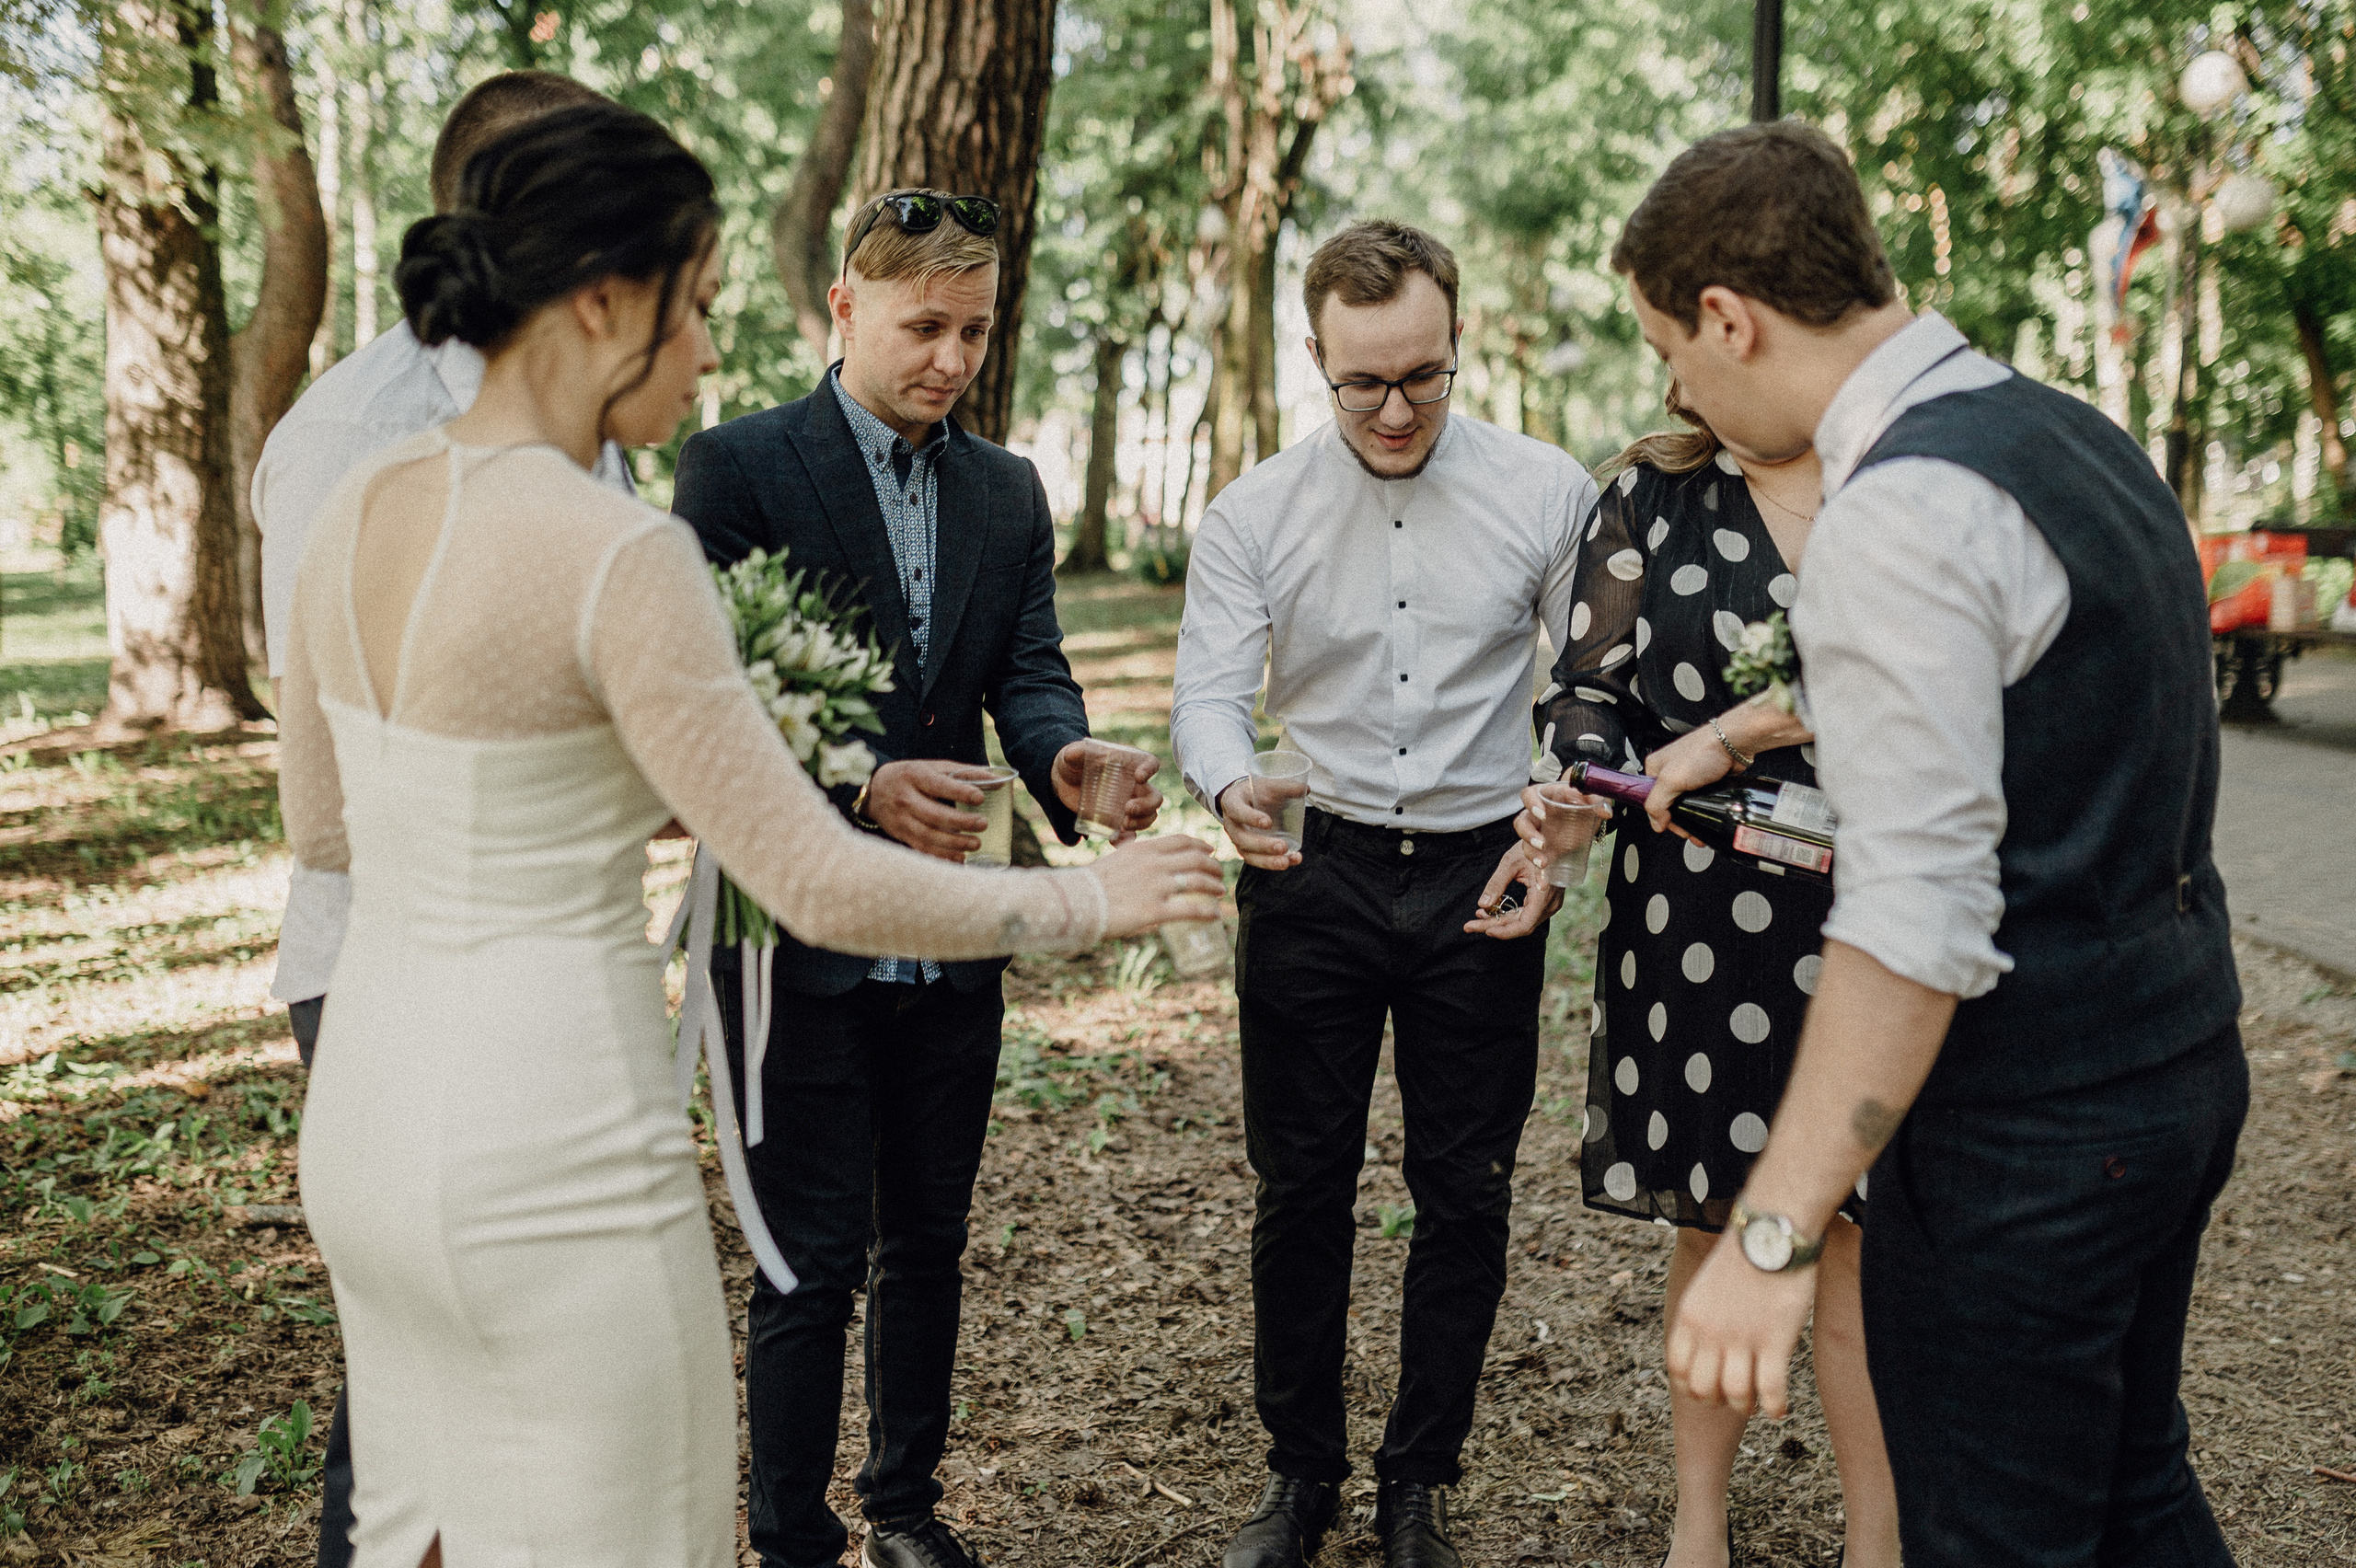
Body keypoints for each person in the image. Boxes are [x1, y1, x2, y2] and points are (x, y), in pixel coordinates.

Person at [278, 104, 1222, 1568]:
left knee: (425, 1524)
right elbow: (808, 879)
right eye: (698, 302)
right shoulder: (622, 548)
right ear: (605, 300)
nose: (712, 348)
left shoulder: (357, 505)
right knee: (625, 1528)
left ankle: (894, 1506)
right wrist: (1095, 904)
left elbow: (323, 826)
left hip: (373, 1113)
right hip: (554, 1122)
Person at [1623, 123, 2245, 1568]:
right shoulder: (2072, 439)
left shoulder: (1896, 512)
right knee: (2133, 1494)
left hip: (2029, 1138)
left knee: (1995, 1534)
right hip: (2178, 1065)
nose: (1678, 392)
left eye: (1671, 351)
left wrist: (1769, 1238)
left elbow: (1914, 918)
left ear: (1730, 317)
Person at [668, 189, 1162, 1568]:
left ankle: (904, 1510)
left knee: (928, 1240)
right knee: (807, 1258)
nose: (952, 359)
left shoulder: (1007, 489)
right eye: (924, 327)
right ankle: (789, 1536)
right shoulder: (735, 468)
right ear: (845, 306)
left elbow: (1029, 672)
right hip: (789, 928)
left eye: (976, 332)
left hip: (957, 924)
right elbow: (703, 701)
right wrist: (857, 785)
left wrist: (1065, 760)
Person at [1170, 219, 1597, 1568]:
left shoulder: (1547, 491)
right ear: (1317, 358)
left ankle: (1420, 1482)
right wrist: (1227, 781)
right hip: (1316, 868)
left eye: (1423, 376)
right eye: (1364, 384)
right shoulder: (1254, 514)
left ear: (1458, 340)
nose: (1397, 410)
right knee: (1300, 1185)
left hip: (1483, 870)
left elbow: (1589, 691)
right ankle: (1300, 1475)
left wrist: (1565, 816)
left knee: (1465, 1189)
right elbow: (1206, 693)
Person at [248, 67, 618, 1568]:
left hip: (548, 967)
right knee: (414, 1393)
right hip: (393, 971)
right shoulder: (349, 440)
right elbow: (335, 790)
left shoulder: (580, 407)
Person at [1519, 389, 1898, 1568]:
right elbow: (1587, 689)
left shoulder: (1904, 477)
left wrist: (1732, 735)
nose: (1684, 377)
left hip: (1881, 902)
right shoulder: (1649, 494)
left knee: (1863, 1235)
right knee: (1717, 1214)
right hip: (1696, 912)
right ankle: (1698, 1529)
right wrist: (1587, 778)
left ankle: (1879, 1541)